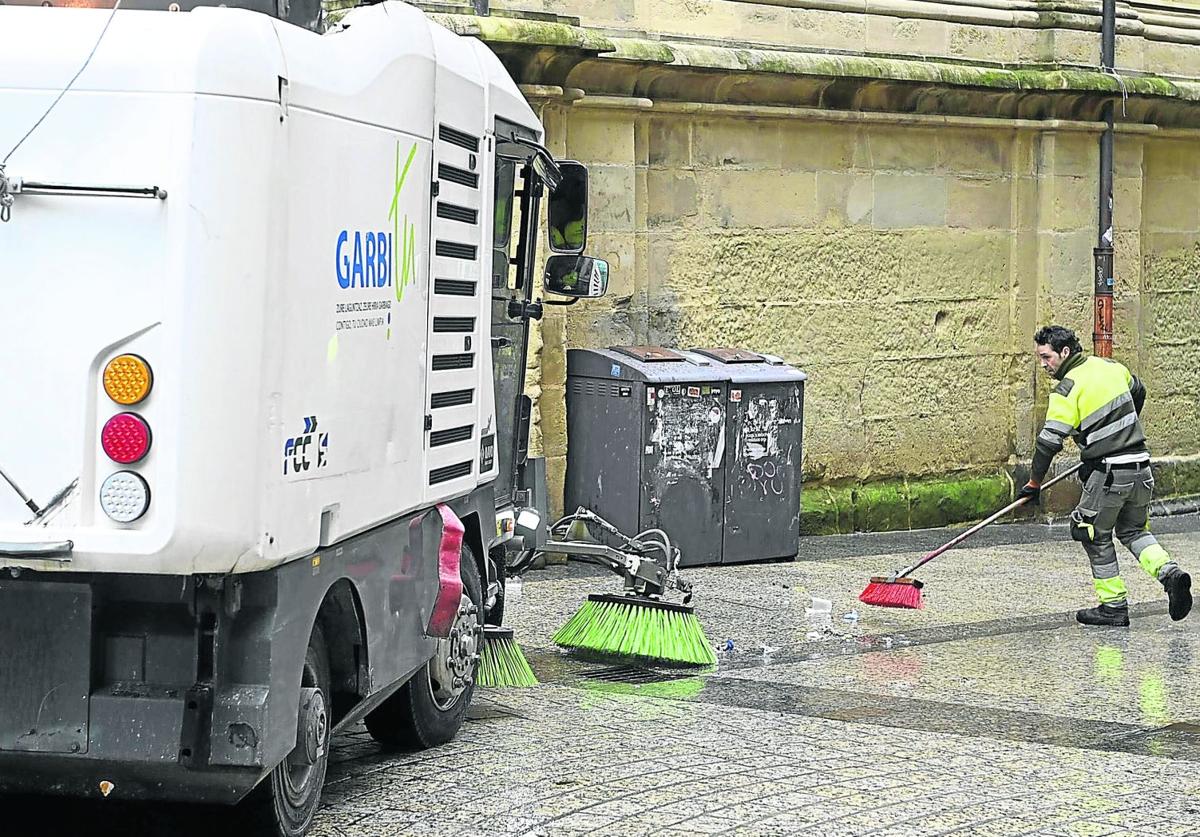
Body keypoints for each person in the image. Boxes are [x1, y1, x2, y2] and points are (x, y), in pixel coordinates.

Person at [1018, 325, 1191, 626]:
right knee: (1134, 531)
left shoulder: (1066, 389)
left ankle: (1113, 606)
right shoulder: (1110, 367)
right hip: (1140, 466)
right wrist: (1119, 430)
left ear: (1065, 352)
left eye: (1046, 358)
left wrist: (1034, 483)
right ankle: (1170, 574)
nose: (1044, 365)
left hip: (1109, 473)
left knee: (1093, 534)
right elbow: (1139, 390)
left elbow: (1047, 444)